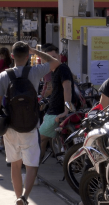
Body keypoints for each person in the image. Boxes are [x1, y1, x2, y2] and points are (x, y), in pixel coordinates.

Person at [0, 41, 60, 205]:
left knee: (15, 165)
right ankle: (24, 197)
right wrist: (36, 51)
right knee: (32, 165)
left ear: (12, 56)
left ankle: (18, 197)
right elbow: (56, 62)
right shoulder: (34, 72)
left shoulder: (4, 76)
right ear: (28, 56)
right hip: (31, 126)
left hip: (11, 127)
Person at [39, 45, 78, 162]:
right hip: (53, 110)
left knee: (39, 138)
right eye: (49, 58)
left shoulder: (62, 68)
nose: (52, 60)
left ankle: (33, 167)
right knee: (42, 140)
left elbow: (67, 88)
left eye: (54, 57)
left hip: (56, 112)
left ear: (60, 57)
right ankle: (34, 165)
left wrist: (67, 109)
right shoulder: (54, 70)